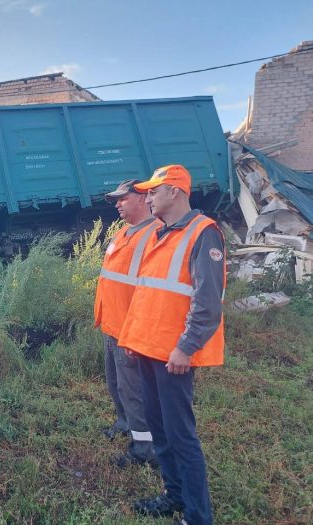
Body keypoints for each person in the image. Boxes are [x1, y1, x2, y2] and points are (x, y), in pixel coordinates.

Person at [118, 165, 226, 525]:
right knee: (160, 429)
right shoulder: (160, 233)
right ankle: (173, 496)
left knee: (181, 436)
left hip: (174, 356)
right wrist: (133, 338)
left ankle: (198, 516)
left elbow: (208, 302)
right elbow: (146, 293)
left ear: (175, 192)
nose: (147, 198)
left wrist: (186, 347)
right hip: (148, 349)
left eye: (153, 192)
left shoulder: (203, 233)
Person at [94, 179, 159, 468]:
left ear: (144, 198)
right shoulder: (123, 233)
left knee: (133, 388)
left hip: (131, 329)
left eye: (123, 198)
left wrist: (138, 330)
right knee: (116, 383)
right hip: (113, 324)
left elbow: (152, 290)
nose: (117, 204)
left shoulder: (155, 234)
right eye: (115, 200)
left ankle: (146, 447)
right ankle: (124, 422)